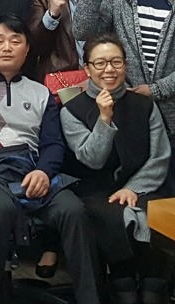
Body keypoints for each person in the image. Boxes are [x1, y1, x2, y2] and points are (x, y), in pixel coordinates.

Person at [0, 15, 98, 304]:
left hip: (30, 172)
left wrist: (43, 172)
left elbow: (53, 144)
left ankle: (90, 298)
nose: (7, 47)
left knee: (73, 209)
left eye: (16, 41)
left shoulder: (40, 92)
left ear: (27, 50)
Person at [61, 34, 171, 304]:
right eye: (100, 63)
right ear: (87, 69)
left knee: (158, 218)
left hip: (143, 187)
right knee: (117, 219)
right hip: (96, 192)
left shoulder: (144, 104)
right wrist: (104, 119)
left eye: (116, 62)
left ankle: (155, 289)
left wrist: (133, 188)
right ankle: (124, 287)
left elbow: (160, 157)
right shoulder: (72, 110)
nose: (109, 69)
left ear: (125, 65)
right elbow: (92, 159)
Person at [73, 0, 175, 192]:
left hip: (171, 109)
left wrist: (156, 90)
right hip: (128, 111)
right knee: (130, 194)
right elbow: (82, 31)